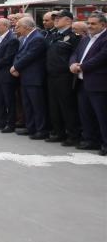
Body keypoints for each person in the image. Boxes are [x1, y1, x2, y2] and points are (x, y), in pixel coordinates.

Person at [69, 12, 107, 155]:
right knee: (85, 113)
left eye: (93, 24)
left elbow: (101, 57)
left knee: (102, 115)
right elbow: (75, 53)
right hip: (82, 82)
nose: (89, 26)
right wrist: (72, 63)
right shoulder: (85, 39)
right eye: (89, 23)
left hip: (99, 83)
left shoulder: (105, 38)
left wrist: (81, 67)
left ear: (103, 25)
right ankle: (90, 140)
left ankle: (105, 143)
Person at [45, 11, 81, 144]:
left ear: (68, 21)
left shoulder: (73, 36)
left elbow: (76, 55)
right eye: (55, 18)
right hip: (51, 76)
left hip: (65, 77)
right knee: (54, 106)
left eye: (59, 18)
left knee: (67, 106)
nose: (56, 20)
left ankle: (73, 135)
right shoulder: (54, 35)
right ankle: (58, 132)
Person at [11, 17, 48, 139]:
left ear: (26, 27)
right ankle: (31, 127)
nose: (16, 29)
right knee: (27, 105)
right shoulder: (25, 38)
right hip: (25, 76)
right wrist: (16, 67)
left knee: (37, 106)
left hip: (34, 77)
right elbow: (19, 54)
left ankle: (41, 130)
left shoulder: (37, 38)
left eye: (18, 26)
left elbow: (30, 56)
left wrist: (16, 67)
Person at [0, 18, 19, 133]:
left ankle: (10, 124)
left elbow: (7, 58)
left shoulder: (12, 39)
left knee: (9, 101)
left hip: (6, 75)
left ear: (6, 26)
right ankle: (1, 122)